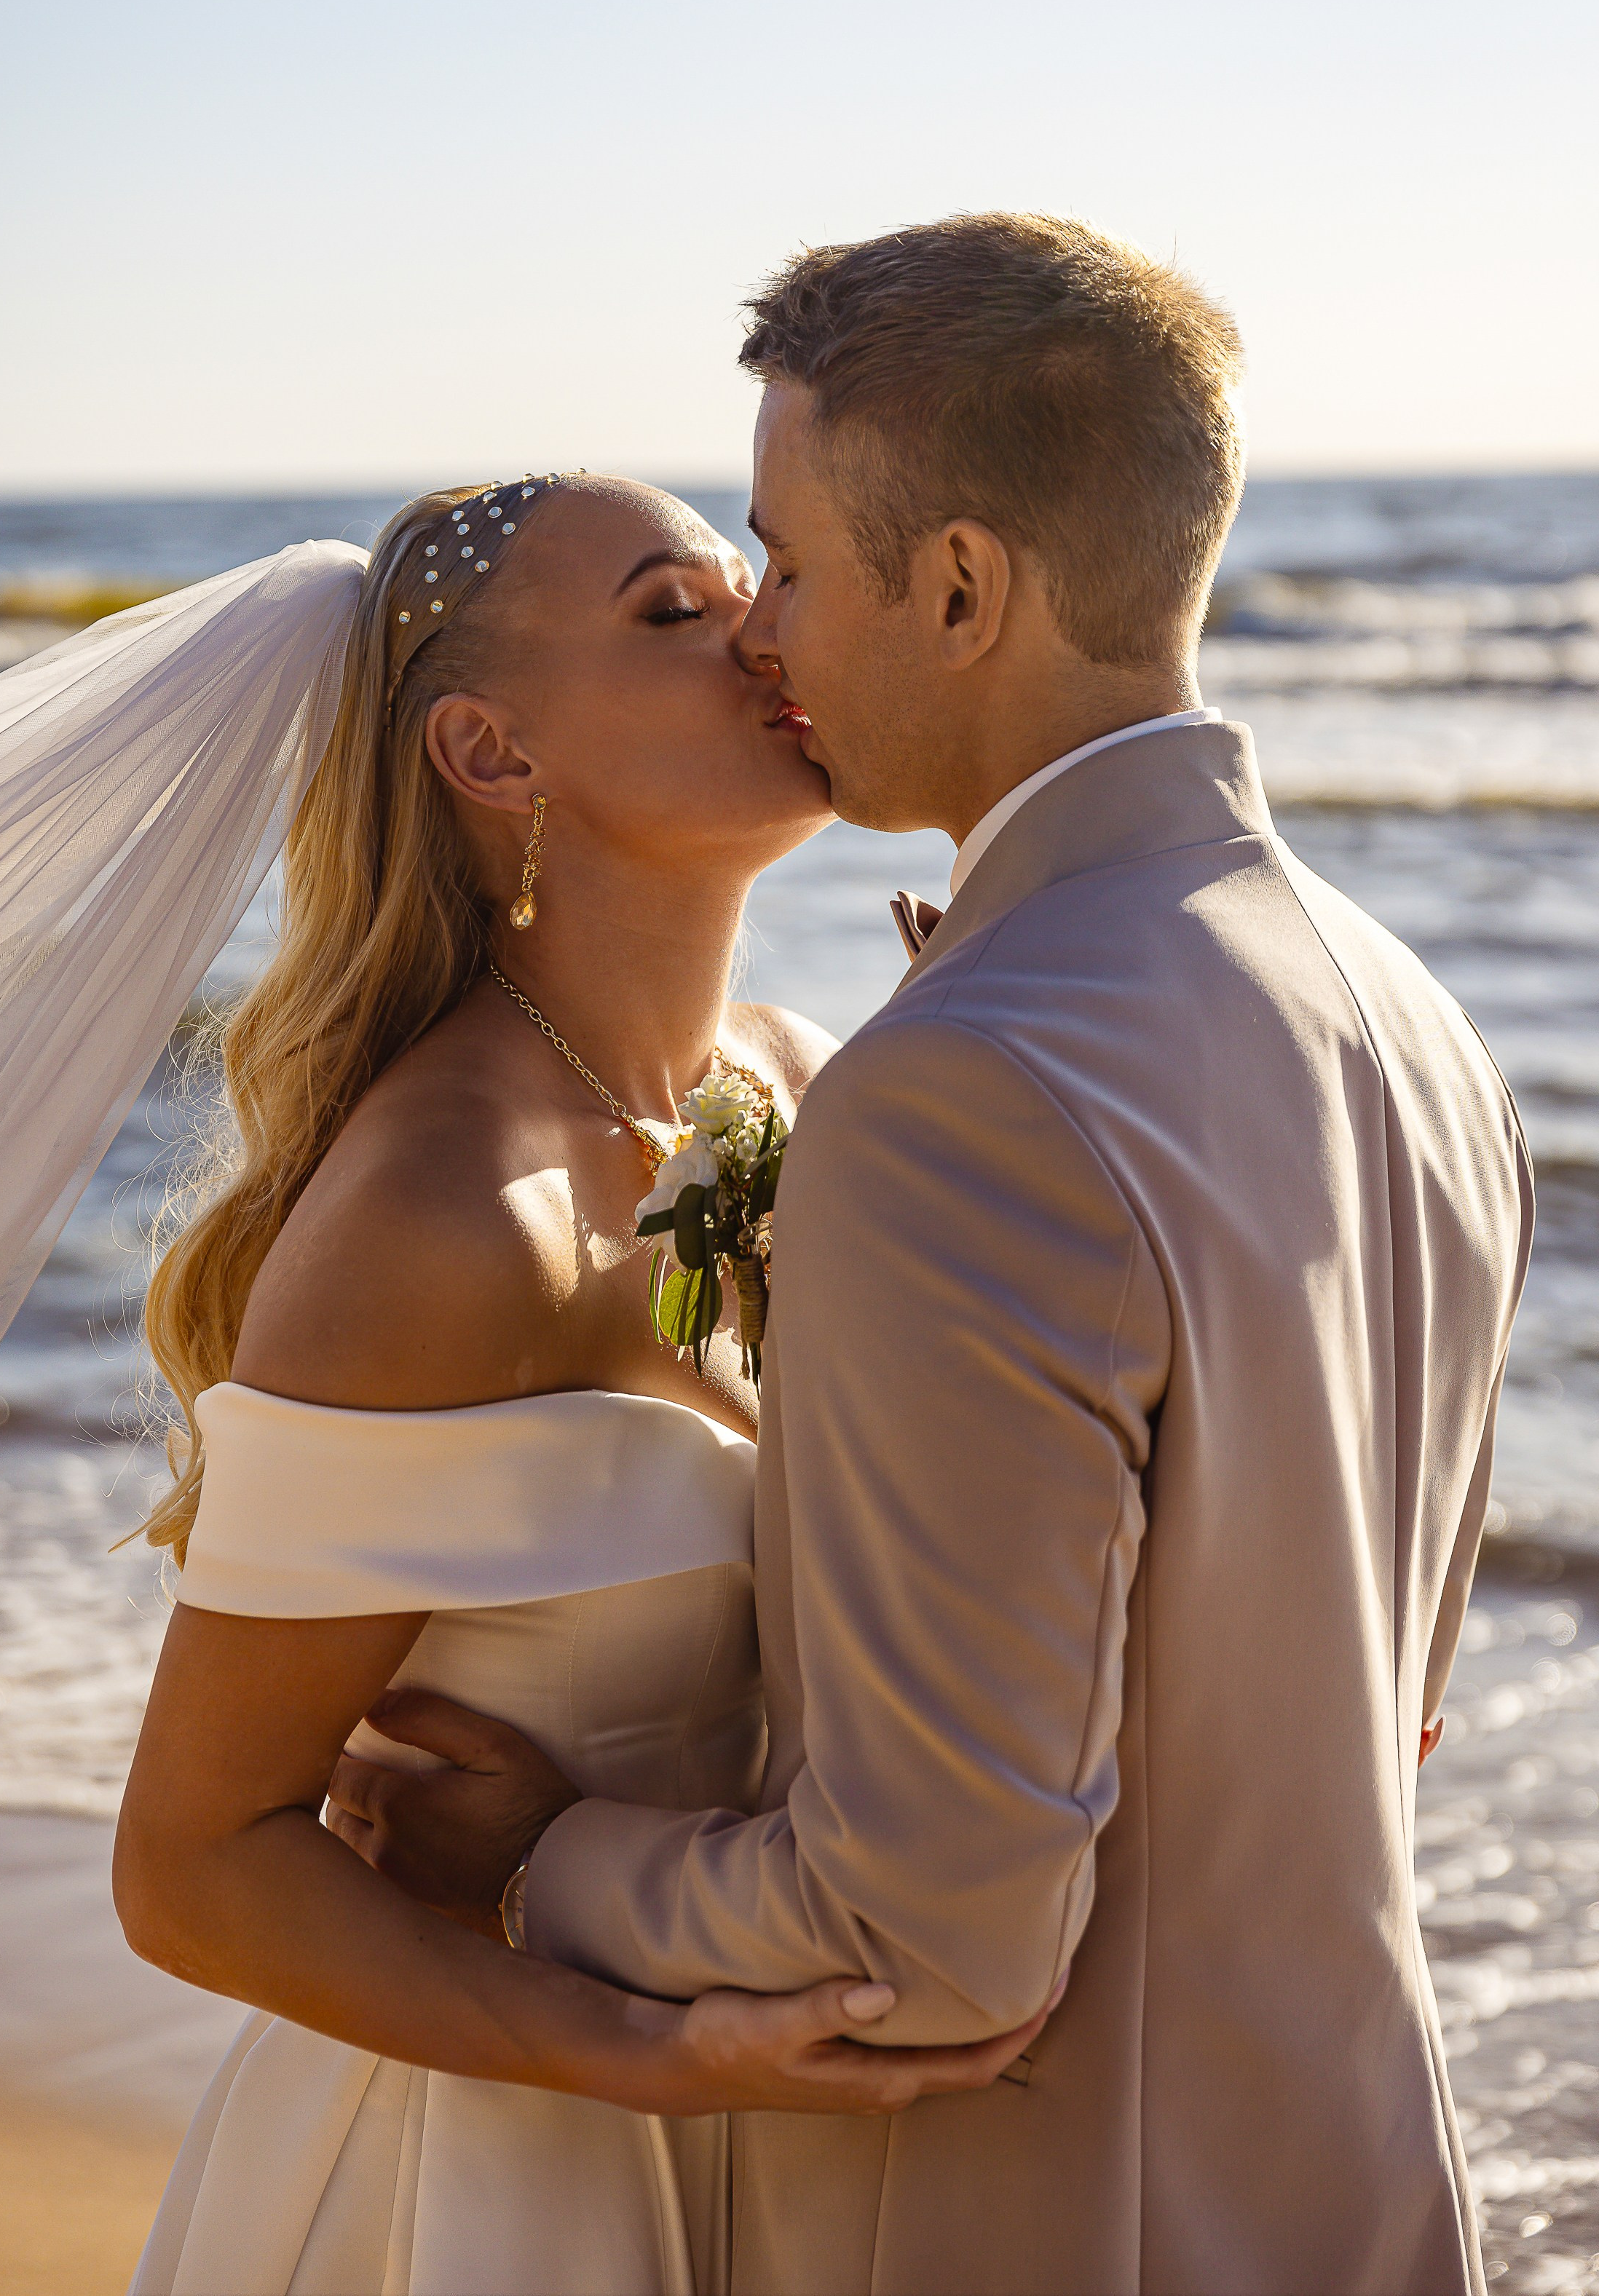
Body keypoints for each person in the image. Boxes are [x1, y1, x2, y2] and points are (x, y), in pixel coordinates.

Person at [327, 216, 1535, 2296]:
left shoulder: (961, 1093)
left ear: (963, 585)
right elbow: (1380, 1712)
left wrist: (534, 1858)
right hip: (1361, 2193)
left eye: (786, 562)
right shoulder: (1419, 1023)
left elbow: (931, 1939)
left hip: (1041, 2223)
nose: (761, 628)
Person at [112, 471, 1056, 2296]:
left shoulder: (808, 1078)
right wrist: (644, 2049)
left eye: (749, 589)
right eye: (670, 611)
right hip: (497, 2163)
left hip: (793, 2117)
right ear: (490, 748)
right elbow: (192, 1864)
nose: (766, 633)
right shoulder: (443, 1211)